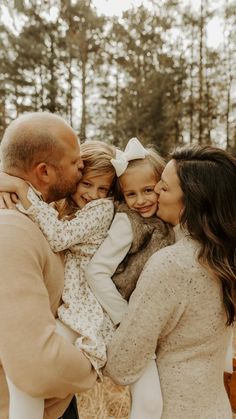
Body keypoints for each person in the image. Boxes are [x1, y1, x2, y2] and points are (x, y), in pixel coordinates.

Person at [104, 144, 236, 418]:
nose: (155, 195)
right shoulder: (224, 257)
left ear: (190, 200)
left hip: (172, 410)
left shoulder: (172, 265)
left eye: (162, 188)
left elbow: (122, 364)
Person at [0, 140, 117, 419]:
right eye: (87, 183)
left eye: (103, 189)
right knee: (25, 378)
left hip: (83, 306)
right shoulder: (64, 205)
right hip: (69, 304)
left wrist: (20, 189)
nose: (93, 194)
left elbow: (59, 236)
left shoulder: (102, 210)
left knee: (31, 374)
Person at [85, 137, 174, 419]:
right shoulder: (127, 222)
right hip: (129, 318)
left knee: (159, 398)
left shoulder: (166, 218)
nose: (140, 200)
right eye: (130, 194)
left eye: (148, 190)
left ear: (162, 186)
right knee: (148, 402)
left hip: (156, 319)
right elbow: (96, 271)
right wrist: (124, 317)